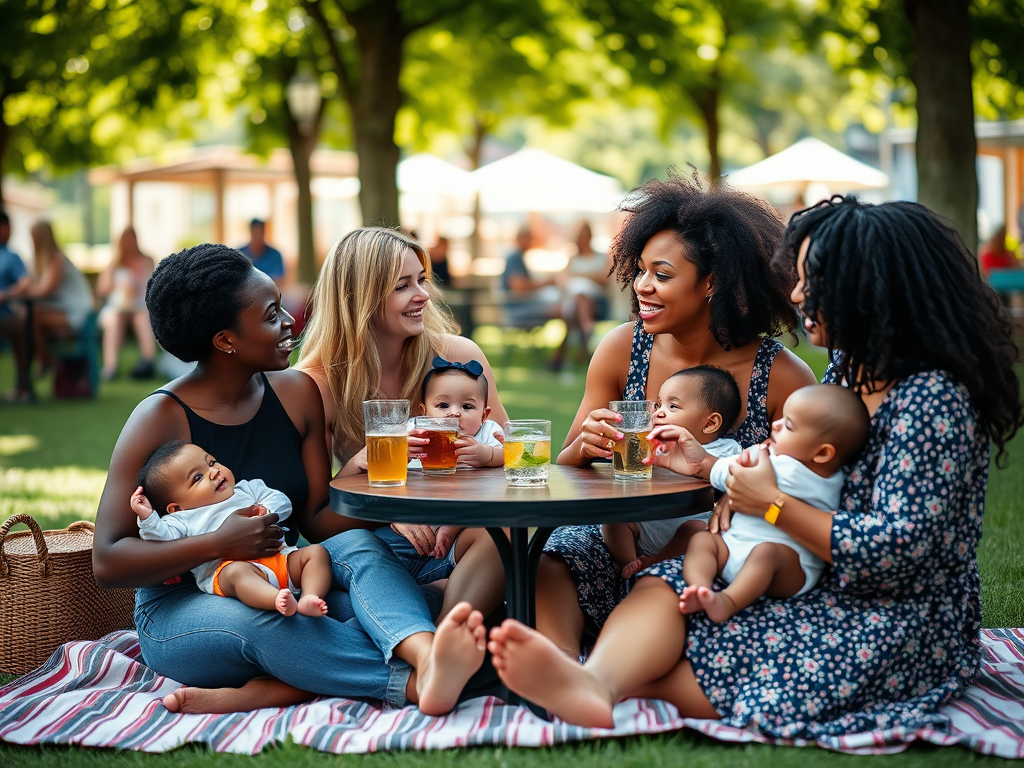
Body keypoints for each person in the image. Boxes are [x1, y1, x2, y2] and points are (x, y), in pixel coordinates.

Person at [486, 196, 1022, 739]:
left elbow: (898, 550)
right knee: (663, 586)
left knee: (720, 652)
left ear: (871, 288)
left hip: (893, 611)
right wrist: (713, 471)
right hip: (805, 571)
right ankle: (593, 684)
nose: (796, 294)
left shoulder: (932, 400)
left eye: (813, 279)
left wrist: (766, 504)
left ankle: (600, 681)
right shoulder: (849, 371)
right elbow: (796, 466)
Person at [93, 243, 489, 718]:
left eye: (282, 306)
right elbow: (109, 560)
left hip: (283, 576)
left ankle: (423, 656)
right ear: (226, 340)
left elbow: (318, 521)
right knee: (268, 620)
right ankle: (419, 682)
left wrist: (364, 484)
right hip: (182, 606)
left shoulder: (296, 393)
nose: (290, 322)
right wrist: (219, 542)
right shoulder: (160, 417)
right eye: (270, 315)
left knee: (358, 553)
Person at [537, 171, 816, 661]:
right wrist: (582, 448)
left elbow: (810, 488)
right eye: (640, 270)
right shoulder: (622, 349)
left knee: (688, 561)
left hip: (717, 548)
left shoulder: (780, 375)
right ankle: (556, 663)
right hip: (626, 534)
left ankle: (604, 663)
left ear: (712, 283)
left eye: (662, 275)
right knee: (555, 552)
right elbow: (566, 473)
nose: (642, 286)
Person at [296, 227, 510, 625]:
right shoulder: (317, 383)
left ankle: (444, 636)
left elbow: (509, 463)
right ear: (360, 298)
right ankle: (439, 613)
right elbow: (315, 523)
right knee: (356, 554)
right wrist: (386, 505)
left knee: (502, 532)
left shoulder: (457, 358)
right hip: (376, 545)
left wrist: (458, 513)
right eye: (403, 286)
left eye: (422, 280)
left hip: (453, 535)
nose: (423, 295)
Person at [668, 383, 869, 622]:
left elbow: (729, 471)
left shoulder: (784, 467)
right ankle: (701, 590)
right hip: (734, 550)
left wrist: (703, 463)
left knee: (766, 552)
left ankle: (726, 599)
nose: (776, 425)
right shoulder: (837, 477)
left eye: (789, 426)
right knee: (703, 538)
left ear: (822, 453)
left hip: (788, 571)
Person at [132, 439, 333, 618]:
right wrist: (147, 517)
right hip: (228, 570)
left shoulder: (247, 489)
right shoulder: (182, 519)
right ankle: (276, 600)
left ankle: (310, 597)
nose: (214, 471)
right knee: (238, 572)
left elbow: (282, 501)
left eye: (211, 462)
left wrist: (266, 511)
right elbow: (160, 540)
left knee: (316, 553)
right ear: (176, 508)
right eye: (197, 477)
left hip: (282, 560)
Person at [602, 365, 743, 580]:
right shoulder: (653, 444)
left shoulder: (727, 451)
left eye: (673, 406)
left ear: (710, 423)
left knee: (697, 530)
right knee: (613, 520)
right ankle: (631, 560)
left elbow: (740, 478)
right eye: (658, 404)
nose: (658, 412)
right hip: (644, 527)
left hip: (687, 532)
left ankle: (654, 561)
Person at [400, 356, 505, 562]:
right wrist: (404, 451)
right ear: (424, 412)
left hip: (467, 512)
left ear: (484, 415)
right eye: (443, 405)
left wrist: (488, 455)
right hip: (422, 509)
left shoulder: (487, 433)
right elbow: (393, 455)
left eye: (467, 407)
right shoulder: (416, 429)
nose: (454, 413)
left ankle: (449, 532)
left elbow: (510, 455)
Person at [23, 221, 95, 376]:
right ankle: (37, 366)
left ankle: (46, 360)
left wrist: (22, 290)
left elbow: (44, 289)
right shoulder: (38, 260)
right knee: (24, 319)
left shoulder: (57, 259)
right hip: (61, 309)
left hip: (77, 312)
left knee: (29, 318)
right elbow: (27, 282)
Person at [97, 226, 157, 380]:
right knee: (115, 320)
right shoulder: (115, 263)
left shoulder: (146, 261)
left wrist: (137, 280)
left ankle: (147, 361)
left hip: (139, 306)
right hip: (118, 307)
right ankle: (111, 366)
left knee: (141, 318)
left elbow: (150, 288)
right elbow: (102, 289)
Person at [550, 221, 613, 369]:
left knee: (581, 300)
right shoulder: (572, 258)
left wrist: (579, 275)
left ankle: (561, 353)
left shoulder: (601, 257)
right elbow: (563, 281)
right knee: (579, 301)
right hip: (575, 302)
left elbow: (604, 279)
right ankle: (586, 332)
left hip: (597, 303)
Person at [501, 226, 561, 330]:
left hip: (524, 304)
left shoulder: (518, 257)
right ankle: (568, 343)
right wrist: (546, 283)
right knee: (562, 310)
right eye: (528, 238)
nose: (530, 242)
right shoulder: (514, 258)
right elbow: (519, 287)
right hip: (518, 308)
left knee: (563, 306)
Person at [0, 211, 32, 401]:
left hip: (5, 316)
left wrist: (5, 294)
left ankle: (23, 385)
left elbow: (25, 283)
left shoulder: (11, 257)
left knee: (24, 328)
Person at [239, 219, 285, 286]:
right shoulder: (240, 253)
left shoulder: (275, 255)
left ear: (264, 233)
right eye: (255, 232)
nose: (257, 236)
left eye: (260, 232)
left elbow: (279, 280)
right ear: (251, 232)